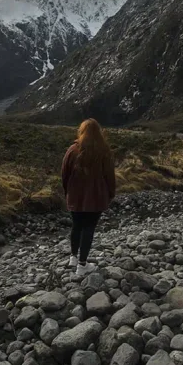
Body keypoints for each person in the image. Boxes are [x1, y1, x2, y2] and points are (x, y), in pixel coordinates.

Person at [61, 118, 116, 276]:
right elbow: (109, 176)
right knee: (89, 228)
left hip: (75, 195)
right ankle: (82, 265)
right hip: (96, 197)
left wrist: (67, 191)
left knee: (76, 225)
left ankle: (73, 257)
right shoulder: (104, 151)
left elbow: (64, 174)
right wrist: (111, 193)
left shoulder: (72, 150)